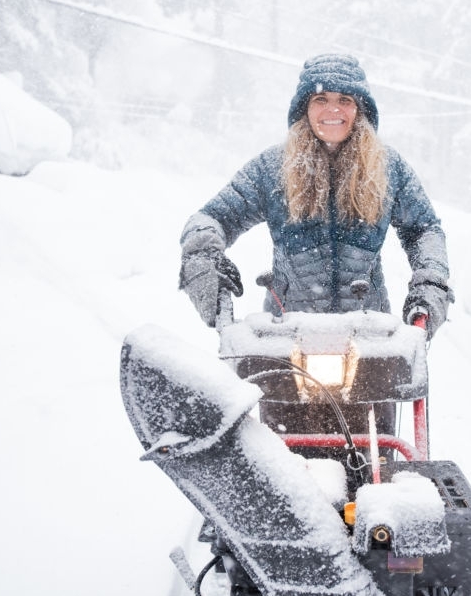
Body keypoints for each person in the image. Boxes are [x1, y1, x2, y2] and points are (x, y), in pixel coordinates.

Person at [178, 53, 453, 443]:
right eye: (320, 100)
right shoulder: (271, 168)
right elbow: (211, 219)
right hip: (286, 342)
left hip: (369, 341)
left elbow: (425, 229)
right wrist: (203, 257)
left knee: (376, 451)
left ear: (361, 109)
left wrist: (430, 283)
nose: (333, 110)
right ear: (303, 108)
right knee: (283, 457)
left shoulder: (388, 169)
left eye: (345, 100)